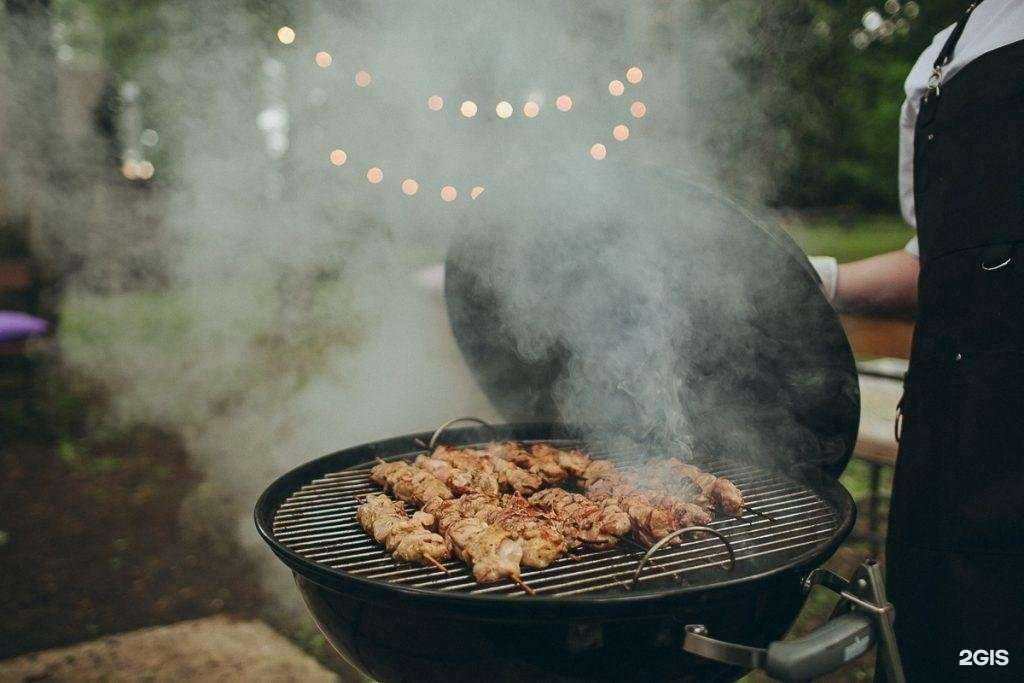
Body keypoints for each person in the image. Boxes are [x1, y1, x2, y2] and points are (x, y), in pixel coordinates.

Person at [811, 2, 1024, 679]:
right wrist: (822, 279)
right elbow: (941, 260)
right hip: (946, 439)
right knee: (938, 646)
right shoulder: (941, 58)